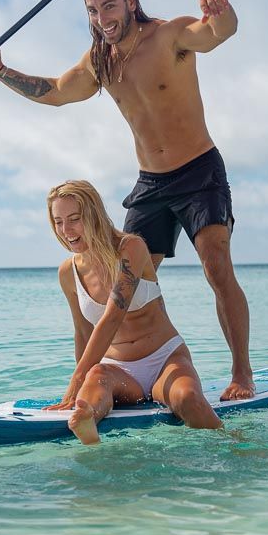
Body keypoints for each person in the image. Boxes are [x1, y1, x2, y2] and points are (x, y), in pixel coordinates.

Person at [0, 0, 254, 401]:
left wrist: (222, 15)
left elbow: (215, 33)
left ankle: (242, 374)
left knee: (216, 266)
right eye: (92, 9)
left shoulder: (169, 35)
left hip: (200, 172)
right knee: (120, 280)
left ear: (130, 0)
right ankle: (122, 376)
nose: (101, 17)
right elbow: (55, 91)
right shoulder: (100, 61)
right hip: (151, 183)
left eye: (108, 5)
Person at [45, 180, 222, 445]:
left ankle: (232, 444)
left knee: (188, 399)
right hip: (119, 370)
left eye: (74, 219)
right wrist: (78, 389)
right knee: (93, 391)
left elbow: (113, 316)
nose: (66, 230)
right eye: (58, 221)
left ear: (93, 215)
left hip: (165, 358)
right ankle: (88, 426)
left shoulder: (131, 248)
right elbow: (83, 331)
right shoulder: (68, 273)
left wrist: (77, 377)